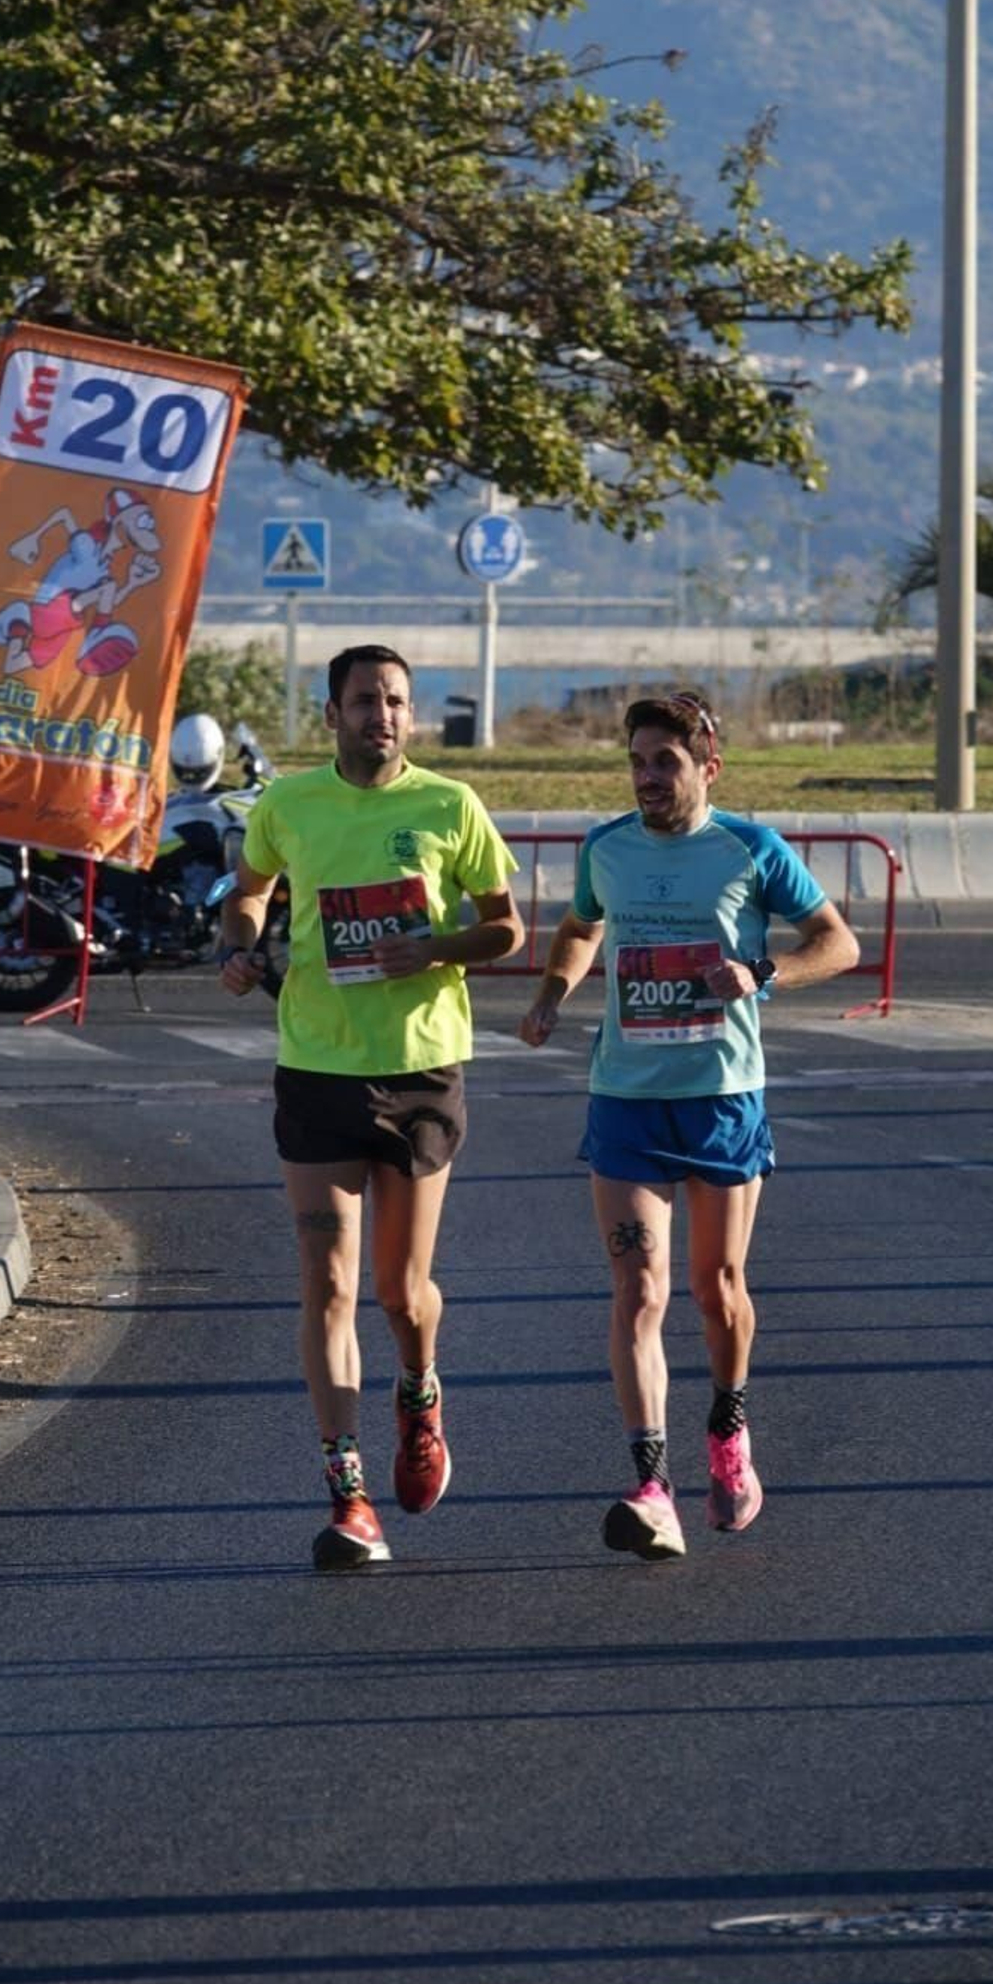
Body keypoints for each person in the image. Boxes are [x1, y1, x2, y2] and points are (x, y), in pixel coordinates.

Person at [518, 692, 859, 1560]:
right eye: (636, 761)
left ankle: (729, 1430)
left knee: (717, 1289)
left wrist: (762, 972)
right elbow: (581, 924)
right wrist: (553, 992)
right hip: (626, 1095)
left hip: (721, 1096)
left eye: (664, 762)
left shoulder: (751, 848)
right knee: (639, 1290)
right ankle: (652, 1486)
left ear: (709, 766)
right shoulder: (606, 848)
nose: (647, 778)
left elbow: (839, 942)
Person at [219, 643, 524, 1570]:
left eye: (394, 701)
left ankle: (420, 1391)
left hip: (420, 1070)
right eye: (364, 701)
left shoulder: (449, 805)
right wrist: (239, 946)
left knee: (400, 1291)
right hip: (315, 1067)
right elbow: (248, 892)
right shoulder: (290, 804)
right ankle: (348, 1494)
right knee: (328, 1283)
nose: (380, 715)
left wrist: (435, 948)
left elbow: (507, 928)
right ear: (332, 714)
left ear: (410, 714)